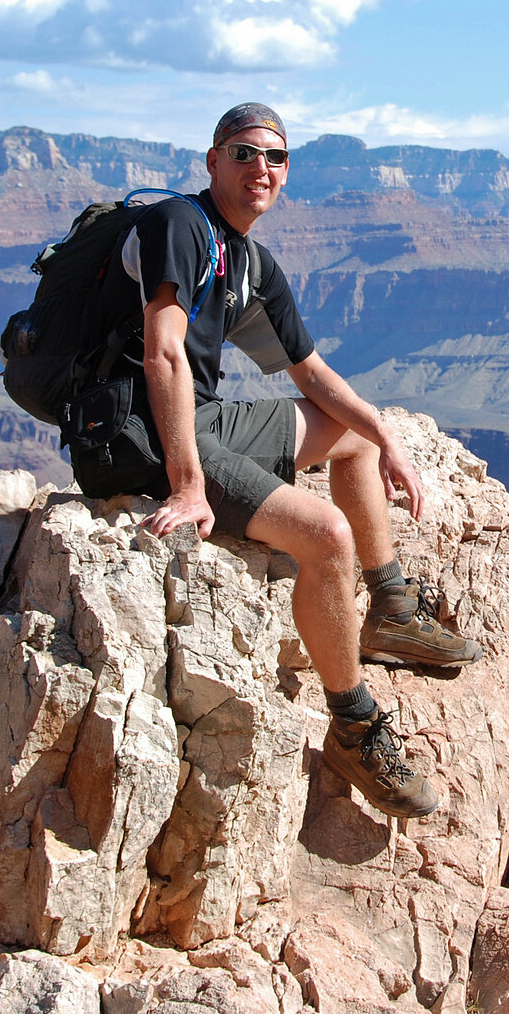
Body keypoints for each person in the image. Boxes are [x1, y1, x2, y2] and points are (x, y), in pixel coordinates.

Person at [75, 102, 479, 819]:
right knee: (326, 537)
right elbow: (164, 350)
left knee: (347, 437)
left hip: (199, 418)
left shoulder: (250, 261)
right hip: (139, 433)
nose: (260, 168)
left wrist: (386, 438)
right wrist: (189, 482)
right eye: (243, 153)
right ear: (212, 161)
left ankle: (388, 607)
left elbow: (309, 371)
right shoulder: (180, 227)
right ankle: (353, 726)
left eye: (275, 157)